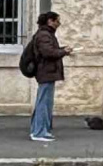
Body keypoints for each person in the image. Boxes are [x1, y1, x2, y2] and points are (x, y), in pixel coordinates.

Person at [25, 11, 70, 143]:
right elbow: (47, 52)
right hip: (46, 72)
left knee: (43, 102)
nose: (59, 24)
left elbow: (49, 50)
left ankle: (39, 130)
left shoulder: (45, 34)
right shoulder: (45, 35)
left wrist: (62, 50)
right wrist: (63, 51)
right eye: (57, 21)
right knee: (44, 103)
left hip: (46, 72)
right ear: (50, 21)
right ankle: (39, 132)